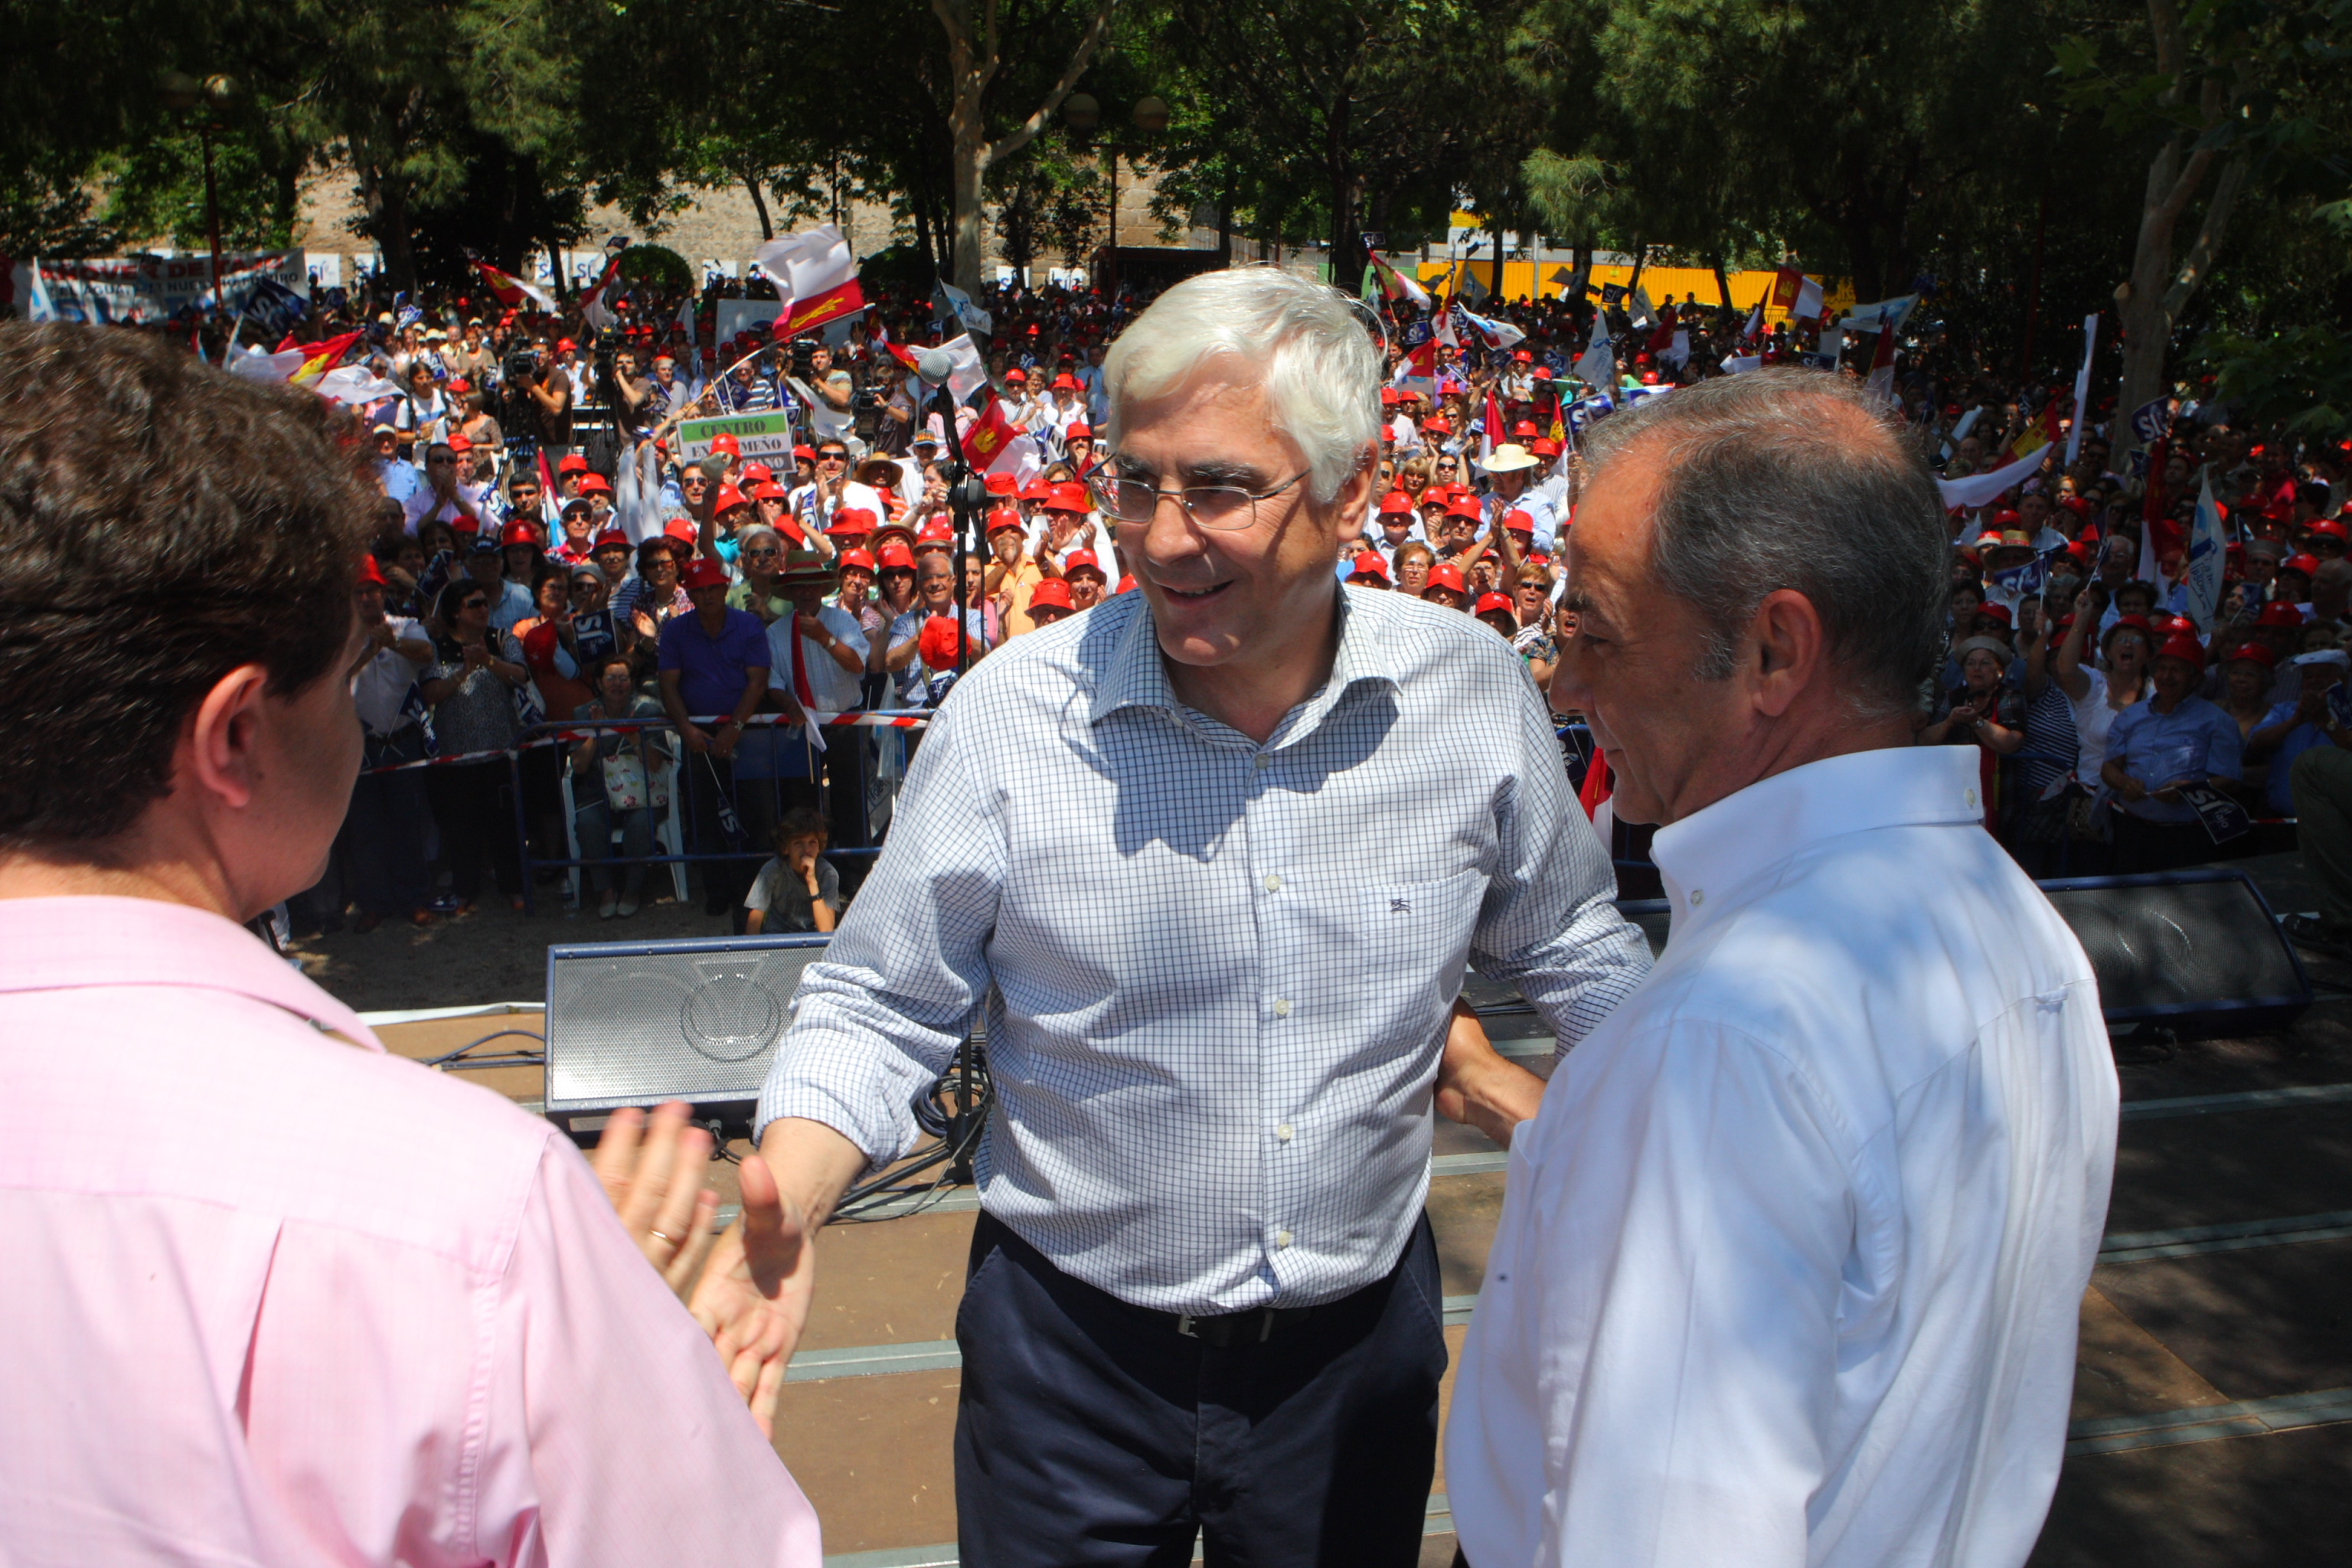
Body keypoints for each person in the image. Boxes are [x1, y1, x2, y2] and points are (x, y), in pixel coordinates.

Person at [743, 268, 1651, 1566]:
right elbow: (882, 1001)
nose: (1163, 538)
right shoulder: (1009, 717)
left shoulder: (1466, 695)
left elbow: (1573, 950)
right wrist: (790, 1194)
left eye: (1220, 488)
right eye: (1134, 482)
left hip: (1352, 1366)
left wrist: (1694, 1132)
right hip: (1066, 1365)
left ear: (1352, 489)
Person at [0, 321, 818, 1568]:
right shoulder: (467, 1210)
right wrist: (637, 1391)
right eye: (343, 679)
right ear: (236, 737)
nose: (355, 717)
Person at [1449, 369, 2116, 1568]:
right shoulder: (2021, 933)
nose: (1568, 683)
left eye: (1595, 628)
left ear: (1773, 651)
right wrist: (1525, 1105)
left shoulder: (1724, 1036)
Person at [658, 556, 775, 917]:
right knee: (704, 815)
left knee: (756, 812)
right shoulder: (676, 631)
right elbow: (668, 684)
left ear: (725, 589)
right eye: (698, 590)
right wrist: (686, 729)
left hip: (749, 732)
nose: (706, 595)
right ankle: (718, 891)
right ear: (690, 595)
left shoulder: (748, 625)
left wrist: (734, 728)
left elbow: (758, 681)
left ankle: (757, 890)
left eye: (712, 588)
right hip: (698, 734)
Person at [420, 577, 530, 913]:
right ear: (455, 612)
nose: (484, 609)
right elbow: (430, 693)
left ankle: (514, 887)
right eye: (475, 604)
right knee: (460, 828)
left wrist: (488, 662)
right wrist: (463, 672)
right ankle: (464, 890)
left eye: (485, 603)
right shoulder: (436, 648)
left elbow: (522, 676)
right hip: (455, 757)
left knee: (505, 825)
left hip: (501, 752)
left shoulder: (502, 639)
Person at [345, 554, 436, 929]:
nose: (367, 598)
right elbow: (337, 679)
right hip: (361, 744)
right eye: (360, 592)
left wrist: (393, 643)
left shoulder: (406, 625)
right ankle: (374, 903)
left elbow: (427, 654)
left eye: (373, 591)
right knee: (366, 829)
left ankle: (413, 899)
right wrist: (368, 650)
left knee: (407, 825)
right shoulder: (342, 638)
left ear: (384, 594)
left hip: (403, 739)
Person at [2102, 634, 2243, 872]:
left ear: (2195, 678)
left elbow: (2230, 779)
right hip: (2132, 832)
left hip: (2187, 838)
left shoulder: (2217, 722)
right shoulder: (2131, 716)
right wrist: (2124, 783)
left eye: (2176, 670)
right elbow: (2109, 767)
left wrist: (2189, 790)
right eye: (2162, 668)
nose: (2166, 676)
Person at [570, 652, 670, 919]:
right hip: (597, 794)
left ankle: (632, 890)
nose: (617, 685)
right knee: (587, 824)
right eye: (610, 678)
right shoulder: (583, 713)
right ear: (599, 682)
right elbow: (578, 766)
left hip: (642, 792)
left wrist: (632, 736)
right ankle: (605, 891)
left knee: (640, 826)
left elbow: (656, 763)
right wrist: (595, 733)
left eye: (623, 679)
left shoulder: (647, 710)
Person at [743, 805, 841, 935]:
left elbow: (826, 930)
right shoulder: (773, 869)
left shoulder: (828, 873)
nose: (807, 850)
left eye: (812, 842)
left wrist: (812, 882)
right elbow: (754, 922)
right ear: (786, 848)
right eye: (798, 843)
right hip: (777, 938)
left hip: (813, 940)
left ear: (819, 847)